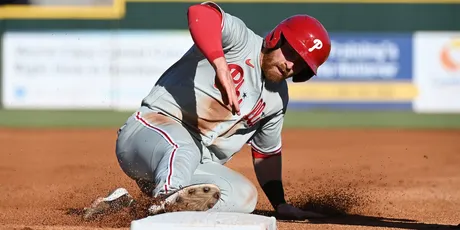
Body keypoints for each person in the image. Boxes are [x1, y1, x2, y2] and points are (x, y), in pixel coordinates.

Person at [83, 0, 331, 221]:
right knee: (185, 147)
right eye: (292, 53)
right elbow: (200, 13)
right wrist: (220, 64)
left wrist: (280, 204)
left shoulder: (276, 100)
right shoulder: (241, 40)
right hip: (149, 132)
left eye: (300, 65)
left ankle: (130, 209)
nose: (290, 65)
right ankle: (167, 201)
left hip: (190, 166)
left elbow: (266, 154)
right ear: (276, 37)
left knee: (244, 197)